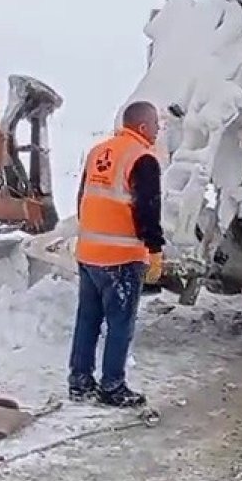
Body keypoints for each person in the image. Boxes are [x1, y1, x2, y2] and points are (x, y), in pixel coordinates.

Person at [69, 100, 165, 407]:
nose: (159, 130)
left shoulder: (99, 151)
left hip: (89, 253)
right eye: (156, 125)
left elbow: (82, 198)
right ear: (142, 127)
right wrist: (155, 249)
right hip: (121, 258)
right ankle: (112, 387)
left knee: (87, 320)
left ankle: (80, 381)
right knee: (120, 324)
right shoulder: (143, 158)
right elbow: (147, 209)